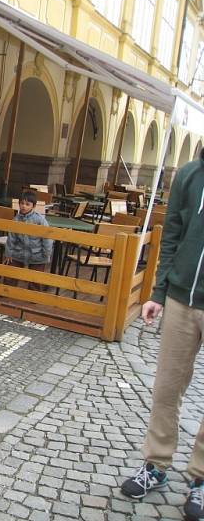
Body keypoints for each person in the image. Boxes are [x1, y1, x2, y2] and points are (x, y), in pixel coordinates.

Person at [119, 147, 204, 521]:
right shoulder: (189, 175)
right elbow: (171, 236)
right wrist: (157, 292)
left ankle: (201, 479)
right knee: (167, 388)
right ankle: (156, 464)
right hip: (181, 299)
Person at [3, 191, 53, 290]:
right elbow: (11, 238)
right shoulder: (16, 220)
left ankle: (33, 296)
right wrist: (8, 253)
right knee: (10, 272)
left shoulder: (40, 220)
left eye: (27, 204)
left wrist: (46, 254)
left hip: (37, 254)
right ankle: (7, 291)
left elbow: (47, 238)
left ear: (33, 206)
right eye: (22, 203)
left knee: (36, 278)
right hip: (19, 253)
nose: (24, 206)